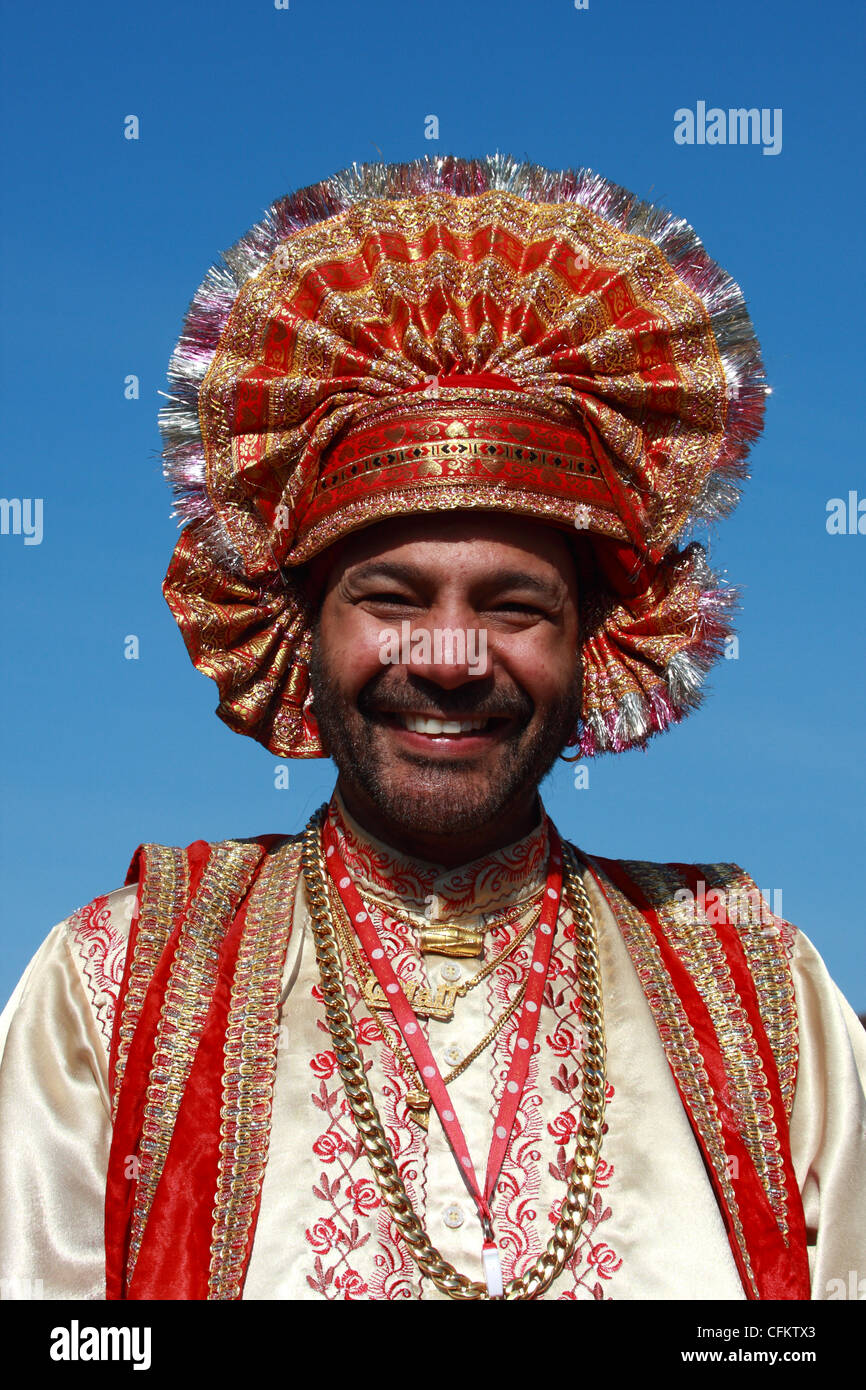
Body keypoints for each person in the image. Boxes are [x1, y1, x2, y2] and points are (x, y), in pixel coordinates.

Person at [1, 156, 864, 1302]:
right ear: (296, 625)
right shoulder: (112, 991)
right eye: (391, 598)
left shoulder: (760, 992)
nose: (451, 660)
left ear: (596, 637)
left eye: (512, 607)